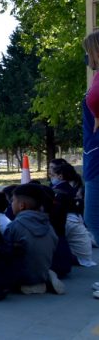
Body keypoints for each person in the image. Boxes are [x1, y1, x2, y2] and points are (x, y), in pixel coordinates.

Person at [3, 184, 63, 294]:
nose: (11, 204)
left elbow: (5, 253)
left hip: (20, 276)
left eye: (13, 201)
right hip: (42, 272)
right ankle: (43, 279)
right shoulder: (49, 227)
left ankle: (26, 284)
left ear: (22, 205)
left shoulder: (15, 226)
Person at [82, 31, 99, 243]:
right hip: (93, 151)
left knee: (93, 221)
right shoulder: (96, 77)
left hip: (96, 154)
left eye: (89, 52)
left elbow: (95, 100)